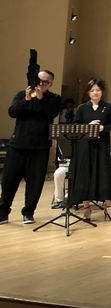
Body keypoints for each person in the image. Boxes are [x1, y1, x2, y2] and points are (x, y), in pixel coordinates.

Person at [0, 69, 61, 225]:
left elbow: (51, 114)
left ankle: (28, 212)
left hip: (40, 148)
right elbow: (12, 112)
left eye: (44, 82)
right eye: (38, 80)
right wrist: (26, 99)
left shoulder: (54, 98)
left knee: (35, 182)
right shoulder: (22, 94)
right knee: (8, 180)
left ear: (50, 84)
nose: (40, 84)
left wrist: (40, 99)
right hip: (17, 145)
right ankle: (3, 212)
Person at [67, 79, 111, 221]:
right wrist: (88, 125)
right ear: (88, 92)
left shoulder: (108, 107)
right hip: (85, 147)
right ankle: (87, 208)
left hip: (101, 145)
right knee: (86, 175)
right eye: (92, 90)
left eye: (98, 90)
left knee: (104, 174)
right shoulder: (82, 108)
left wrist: (103, 128)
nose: (95, 93)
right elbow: (75, 126)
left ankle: (109, 207)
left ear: (102, 92)